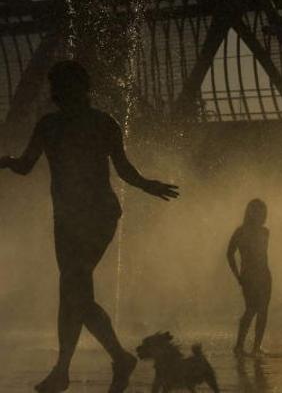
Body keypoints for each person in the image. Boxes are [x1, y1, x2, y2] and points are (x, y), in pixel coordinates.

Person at [0, 60, 179, 393]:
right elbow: (124, 171)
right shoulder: (92, 123)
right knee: (72, 292)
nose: (62, 93)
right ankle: (97, 363)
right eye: (61, 88)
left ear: (78, 89)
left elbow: (24, 166)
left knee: (73, 289)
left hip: (92, 217)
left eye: (65, 87)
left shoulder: (60, 125)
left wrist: (8, 162)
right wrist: (146, 185)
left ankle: (71, 369)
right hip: (76, 218)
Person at [227, 199, 272, 357]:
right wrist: (237, 274)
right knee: (251, 309)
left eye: (262, 211)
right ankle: (239, 346)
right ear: (250, 212)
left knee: (263, 311)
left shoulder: (265, 232)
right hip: (249, 276)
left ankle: (256, 347)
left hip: (264, 275)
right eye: (257, 211)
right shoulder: (241, 232)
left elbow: (262, 255)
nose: (260, 214)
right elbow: (229, 253)